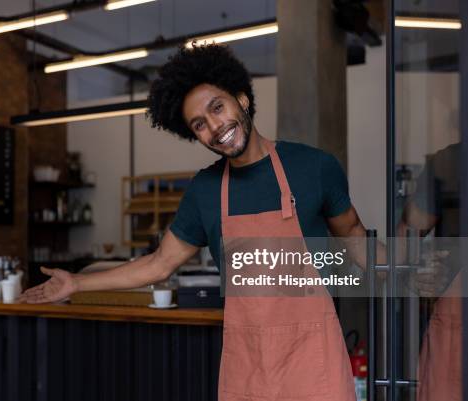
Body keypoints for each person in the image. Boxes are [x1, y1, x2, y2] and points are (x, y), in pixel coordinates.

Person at [20, 44, 368, 401]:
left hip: (313, 363)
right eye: (199, 124)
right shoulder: (205, 190)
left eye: (217, 108)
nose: (215, 127)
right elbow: (159, 264)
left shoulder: (313, 167)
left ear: (242, 99)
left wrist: (401, 268)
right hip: (250, 366)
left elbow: (353, 230)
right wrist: (76, 284)